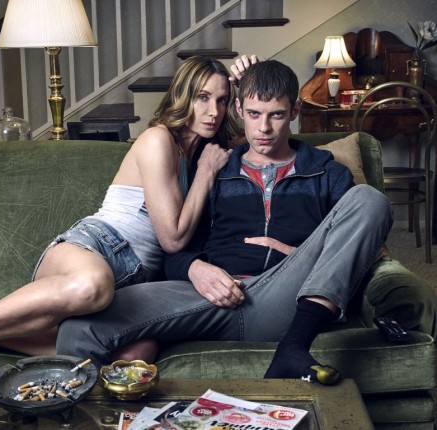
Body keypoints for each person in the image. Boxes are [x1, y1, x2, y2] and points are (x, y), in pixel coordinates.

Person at [0, 56, 245, 377]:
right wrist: (205, 175)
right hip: (96, 248)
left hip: (133, 284)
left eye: (222, 100)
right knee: (91, 286)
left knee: (133, 356)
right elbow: (173, 239)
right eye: (202, 97)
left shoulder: (200, 153)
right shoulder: (158, 139)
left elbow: (262, 137)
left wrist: (247, 79)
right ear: (182, 96)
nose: (213, 111)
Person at [55, 59, 394, 384]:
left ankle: (293, 348)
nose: (263, 128)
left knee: (370, 199)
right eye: (254, 114)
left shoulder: (327, 173)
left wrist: (294, 254)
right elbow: (176, 249)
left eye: (276, 115)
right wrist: (195, 269)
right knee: (80, 328)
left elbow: (361, 247)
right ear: (240, 110)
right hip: (212, 297)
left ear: (294, 111)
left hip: (287, 296)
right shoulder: (214, 170)